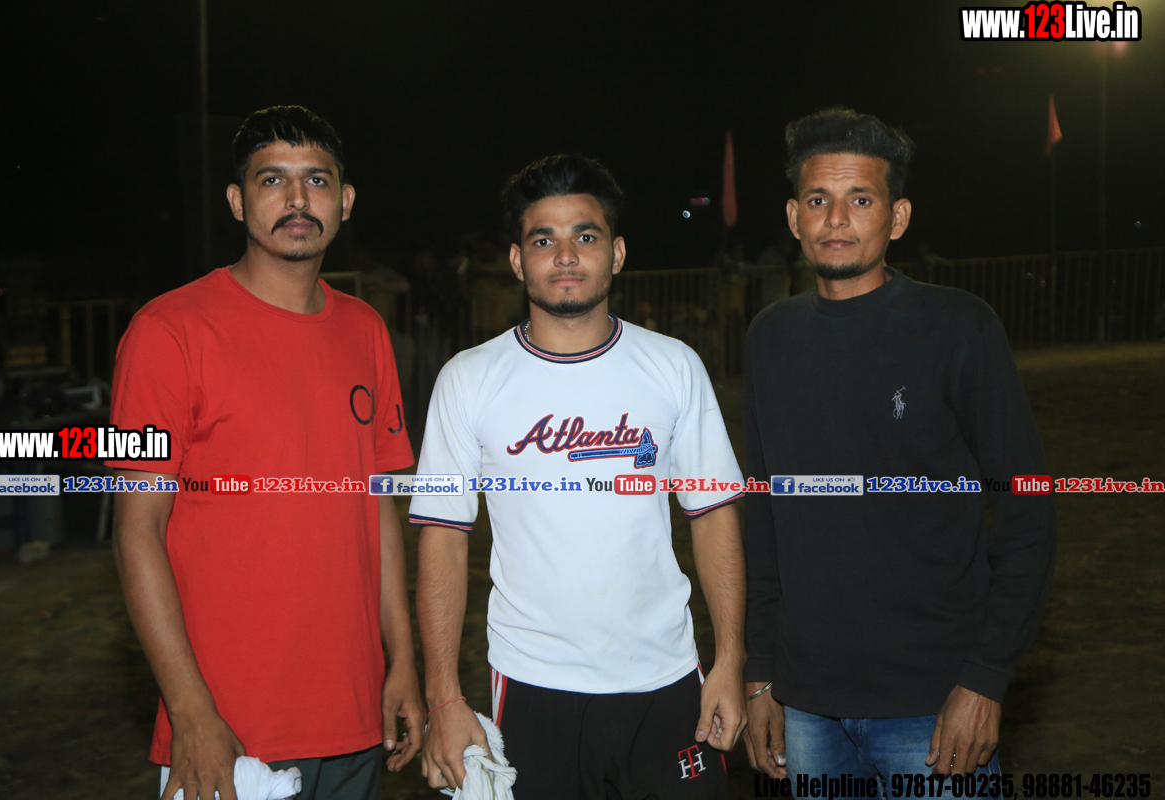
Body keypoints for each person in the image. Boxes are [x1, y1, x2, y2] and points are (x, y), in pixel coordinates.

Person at [107, 106, 423, 800]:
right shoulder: (166, 331)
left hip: (354, 717)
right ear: (237, 200)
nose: (297, 198)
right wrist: (190, 712)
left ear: (344, 201)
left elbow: (377, 511)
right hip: (228, 729)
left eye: (317, 180)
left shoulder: (366, 330)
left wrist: (401, 660)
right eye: (272, 180)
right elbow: (136, 531)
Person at [413, 154, 748, 799]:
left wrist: (730, 661)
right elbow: (443, 538)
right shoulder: (467, 379)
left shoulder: (674, 365)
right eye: (544, 240)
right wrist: (444, 698)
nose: (565, 256)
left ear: (617, 253)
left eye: (585, 236)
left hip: (666, 678)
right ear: (517, 261)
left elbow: (712, 516)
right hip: (532, 684)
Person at [741, 109, 1056, 784]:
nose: (836, 219)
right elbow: (760, 518)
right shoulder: (770, 338)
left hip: (935, 703)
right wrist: (760, 673)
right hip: (807, 704)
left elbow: (1027, 509)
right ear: (794, 217)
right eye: (818, 201)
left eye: (861, 200)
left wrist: (986, 678)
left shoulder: (959, 327)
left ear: (898, 216)